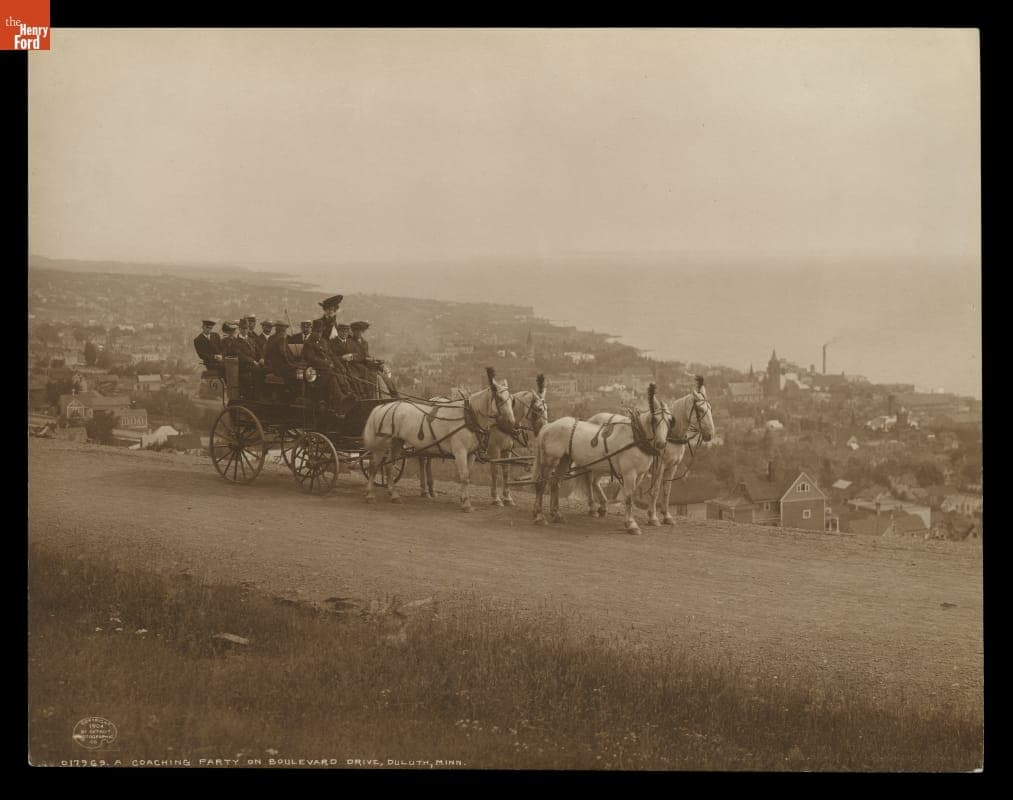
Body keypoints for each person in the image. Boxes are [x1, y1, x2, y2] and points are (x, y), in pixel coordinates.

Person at [302, 319, 355, 413]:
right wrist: (327, 363)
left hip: (327, 369)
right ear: (313, 331)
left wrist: (339, 365)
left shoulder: (324, 342)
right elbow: (312, 359)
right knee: (332, 375)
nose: (319, 334)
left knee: (340, 373)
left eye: (321, 332)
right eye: (317, 332)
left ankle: (348, 394)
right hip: (314, 371)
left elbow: (332, 355)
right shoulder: (308, 343)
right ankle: (340, 398)